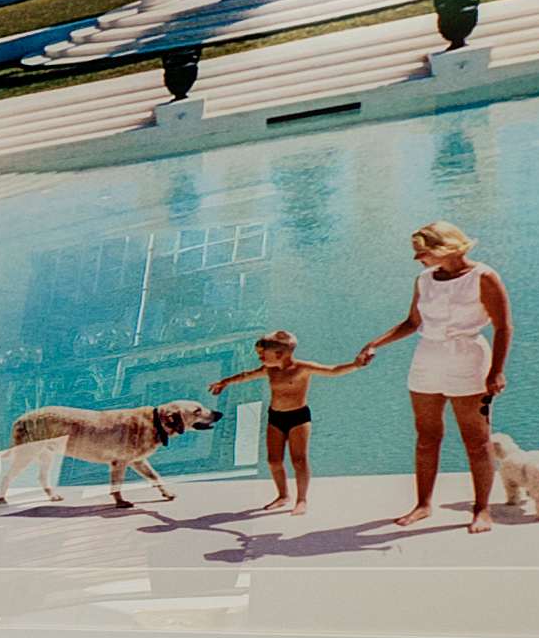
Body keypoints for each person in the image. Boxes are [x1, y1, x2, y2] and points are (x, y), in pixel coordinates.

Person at [348, 223, 514, 532]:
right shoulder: (424, 280)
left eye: (420, 252)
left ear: (442, 249)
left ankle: (481, 509)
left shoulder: (484, 277)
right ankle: (423, 505)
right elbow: (413, 322)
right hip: (426, 359)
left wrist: (497, 371)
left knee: (476, 442)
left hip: (469, 360)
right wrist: (374, 344)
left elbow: (503, 327)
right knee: (426, 438)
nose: (416, 259)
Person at [207, 329, 362, 514]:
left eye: (262, 354)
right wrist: (224, 382)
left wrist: (356, 365)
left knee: (299, 460)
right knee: (273, 461)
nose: (259, 358)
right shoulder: (269, 370)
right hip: (276, 417)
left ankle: (301, 500)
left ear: (279, 354)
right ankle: (283, 496)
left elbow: (333, 371)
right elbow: (246, 375)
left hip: (298, 417)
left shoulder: (302, 368)